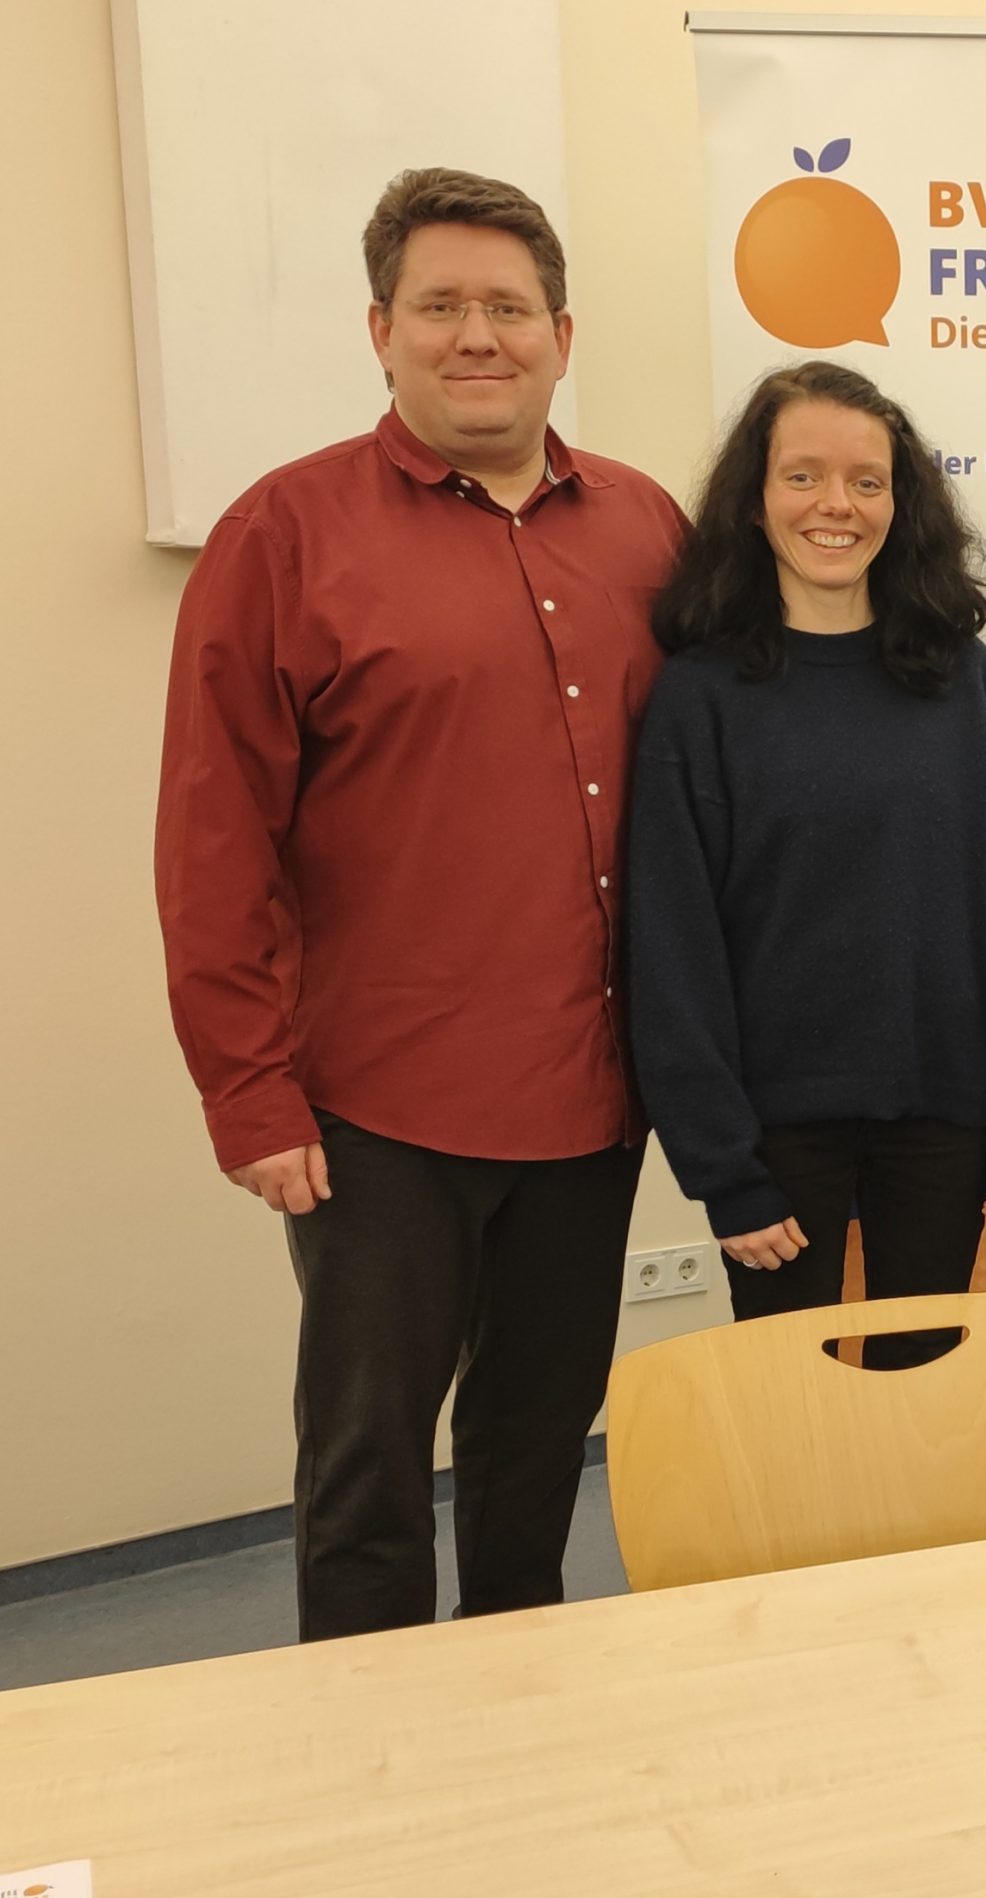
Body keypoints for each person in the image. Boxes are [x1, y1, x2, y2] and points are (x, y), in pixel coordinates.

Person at [154, 168, 686, 1641]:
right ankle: (369, 1785)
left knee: (533, 1468)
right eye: (441, 307)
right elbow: (215, 840)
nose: (478, 337)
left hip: (592, 1097)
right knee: (368, 1479)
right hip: (372, 1116)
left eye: (507, 308)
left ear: (562, 336)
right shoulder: (285, 535)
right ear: (381, 330)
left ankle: (514, 1751)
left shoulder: (647, 530)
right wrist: (247, 1094)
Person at [627, 361, 986, 1337]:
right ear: (754, 498)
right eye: (803, 476)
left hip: (944, 1121)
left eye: (867, 482)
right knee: (796, 1421)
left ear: (898, 502)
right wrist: (722, 1167)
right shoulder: (699, 697)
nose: (837, 504)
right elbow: (671, 948)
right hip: (775, 1135)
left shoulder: (959, 680)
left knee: (923, 1406)